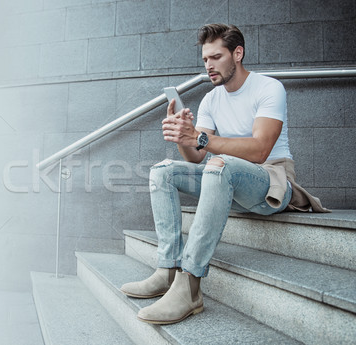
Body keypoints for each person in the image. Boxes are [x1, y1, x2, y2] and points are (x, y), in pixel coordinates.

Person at [119, 23, 329, 325]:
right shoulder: (211, 99)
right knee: (163, 171)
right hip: (224, 178)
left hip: (270, 180)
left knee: (221, 164)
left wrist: (202, 140)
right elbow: (196, 155)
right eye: (205, 59)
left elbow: (260, 149)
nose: (209, 65)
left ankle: (189, 284)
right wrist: (184, 137)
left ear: (238, 53)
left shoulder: (269, 88)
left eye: (216, 57)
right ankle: (167, 270)